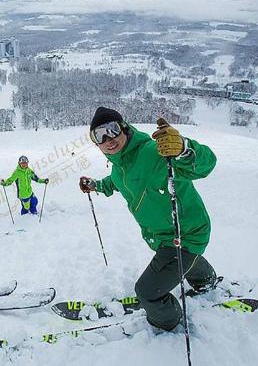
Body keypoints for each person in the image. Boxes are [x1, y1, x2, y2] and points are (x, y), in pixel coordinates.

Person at [79, 106, 217, 332]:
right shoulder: (119, 166)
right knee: (180, 258)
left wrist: (183, 149)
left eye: (112, 130)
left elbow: (206, 163)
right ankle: (205, 280)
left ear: (124, 127)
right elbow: (115, 182)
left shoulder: (155, 151)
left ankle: (168, 321)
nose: (108, 139)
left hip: (185, 232)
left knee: (146, 292)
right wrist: (95, 186)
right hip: (163, 237)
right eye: (99, 135)